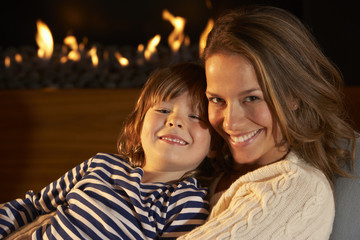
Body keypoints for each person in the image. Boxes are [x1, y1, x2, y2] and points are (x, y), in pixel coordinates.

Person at [178, 5, 357, 239]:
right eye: (217, 99)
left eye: (252, 98)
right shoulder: (205, 161)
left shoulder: (299, 191)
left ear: (293, 96)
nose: (230, 121)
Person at [0, 62, 221, 239]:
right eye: (163, 109)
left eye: (195, 116)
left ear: (213, 146)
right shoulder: (101, 165)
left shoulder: (187, 201)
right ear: (138, 126)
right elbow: (32, 206)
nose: (175, 121)